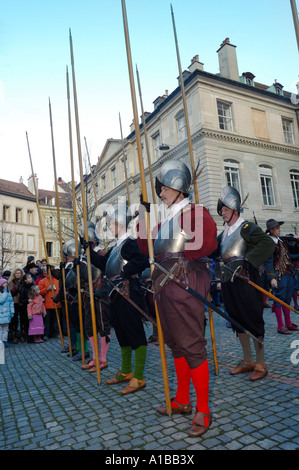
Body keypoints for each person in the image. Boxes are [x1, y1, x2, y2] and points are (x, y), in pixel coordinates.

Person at [137, 159, 218, 437]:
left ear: (179, 188)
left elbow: (208, 241)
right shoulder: (167, 219)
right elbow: (144, 246)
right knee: (176, 344)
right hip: (164, 285)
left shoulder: (195, 212)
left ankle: (203, 409)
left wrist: (183, 250)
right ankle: (183, 400)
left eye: (165, 189)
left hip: (184, 282)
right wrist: (142, 216)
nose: (161, 194)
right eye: (160, 190)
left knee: (191, 345)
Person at [86, 205, 149, 395]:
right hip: (115, 294)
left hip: (128, 292)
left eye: (112, 224)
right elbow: (105, 265)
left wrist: (127, 270)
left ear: (120, 224)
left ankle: (138, 376)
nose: (110, 227)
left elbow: (144, 259)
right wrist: (89, 251)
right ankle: (126, 371)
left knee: (134, 333)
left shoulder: (131, 243)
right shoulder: (115, 247)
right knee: (122, 333)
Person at [214, 186, 275, 381]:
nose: (222, 212)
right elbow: (212, 251)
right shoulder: (223, 234)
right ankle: (247, 360)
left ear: (235, 210)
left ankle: (261, 363)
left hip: (246, 280)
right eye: (221, 209)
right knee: (237, 320)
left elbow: (267, 243)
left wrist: (249, 261)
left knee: (252, 319)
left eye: (224, 209)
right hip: (229, 282)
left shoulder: (246, 228)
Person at [264, 220, 299, 334]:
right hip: (278, 275)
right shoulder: (269, 243)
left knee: (287, 299)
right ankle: (280, 326)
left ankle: (288, 323)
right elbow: (268, 262)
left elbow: (294, 250)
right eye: (277, 228)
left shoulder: (282, 241)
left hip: (288, 274)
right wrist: (272, 278)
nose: (280, 229)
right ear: (271, 230)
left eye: (279, 227)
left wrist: (296, 239)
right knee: (279, 299)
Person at [39, 266, 60, 340]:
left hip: (56, 304)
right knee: (47, 321)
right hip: (47, 304)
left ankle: (56, 333)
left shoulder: (57, 280)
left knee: (56, 320)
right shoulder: (42, 281)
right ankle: (47, 334)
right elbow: (39, 292)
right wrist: (47, 289)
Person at [8, 267, 25, 343]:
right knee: (14, 320)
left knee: (23, 319)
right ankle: (14, 336)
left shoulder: (24, 281)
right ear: (14, 274)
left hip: (22, 302)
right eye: (16, 273)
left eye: (19, 273)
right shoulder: (11, 282)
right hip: (14, 302)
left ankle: (23, 335)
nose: (18, 274)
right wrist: (16, 287)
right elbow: (10, 293)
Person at [19, 273, 35, 342]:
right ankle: (28, 337)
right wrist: (27, 300)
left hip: (34, 308)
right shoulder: (23, 288)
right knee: (27, 323)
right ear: (25, 280)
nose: (30, 279)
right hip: (26, 308)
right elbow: (21, 300)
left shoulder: (34, 287)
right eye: (28, 278)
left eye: (30, 277)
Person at [0, 278, 15, 348]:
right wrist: (5, 293)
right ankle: (1, 341)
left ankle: (5, 341)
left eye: (6, 283)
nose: (6, 284)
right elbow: (1, 301)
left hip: (7, 313)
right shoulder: (3, 293)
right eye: (4, 283)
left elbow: (11, 302)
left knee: (6, 328)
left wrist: (12, 311)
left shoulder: (8, 292)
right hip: (1, 313)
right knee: (0, 329)